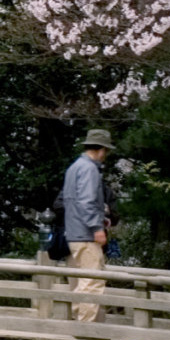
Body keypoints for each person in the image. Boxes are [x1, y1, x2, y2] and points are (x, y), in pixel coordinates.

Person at [61, 128, 117, 321]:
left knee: (80, 281)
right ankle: (86, 327)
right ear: (101, 149)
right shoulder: (89, 168)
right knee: (92, 280)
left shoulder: (75, 167)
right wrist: (97, 228)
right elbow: (87, 201)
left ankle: (80, 322)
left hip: (73, 232)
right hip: (86, 234)